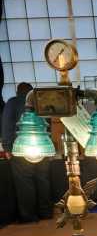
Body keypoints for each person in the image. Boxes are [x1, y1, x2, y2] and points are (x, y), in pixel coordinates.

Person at [1, 82, 53, 223]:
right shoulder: (41, 102)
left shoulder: (12, 102)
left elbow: (6, 126)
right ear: (32, 91)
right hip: (42, 147)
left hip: (21, 149)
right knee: (43, 180)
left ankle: (29, 217)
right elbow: (48, 126)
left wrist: (7, 148)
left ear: (18, 92)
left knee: (25, 183)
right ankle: (46, 213)